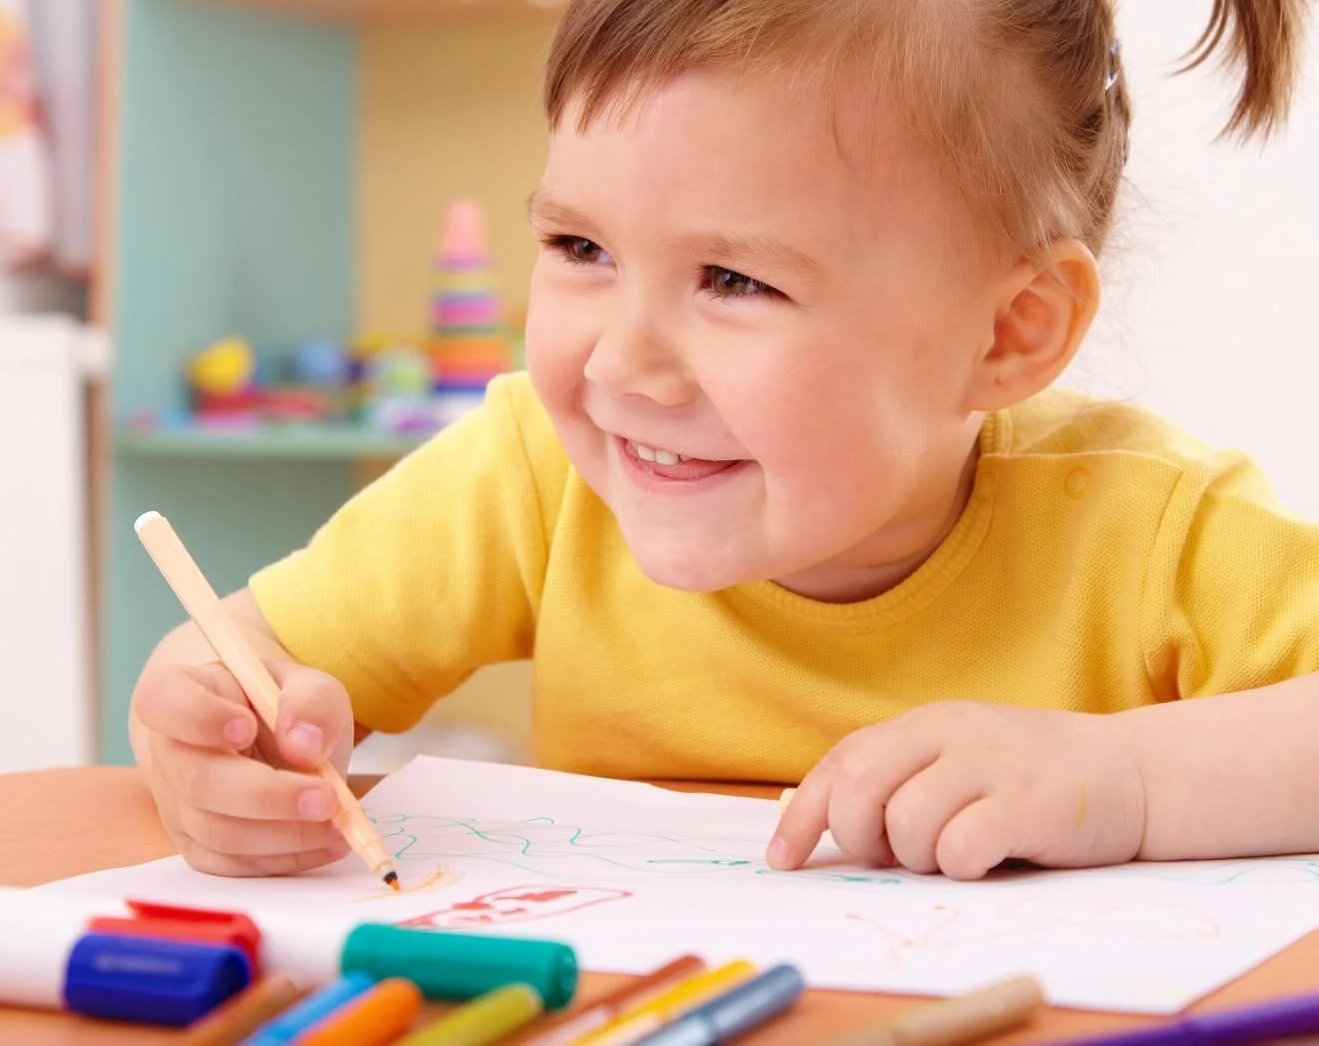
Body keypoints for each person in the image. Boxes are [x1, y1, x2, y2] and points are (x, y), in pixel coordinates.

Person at [129, 0, 1317, 883]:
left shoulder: (1147, 529)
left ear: (1009, 332)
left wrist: (1126, 779)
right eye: (580, 250)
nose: (619, 365)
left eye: (735, 278)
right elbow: (246, 648)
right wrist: (202, 715)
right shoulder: (533, 474)